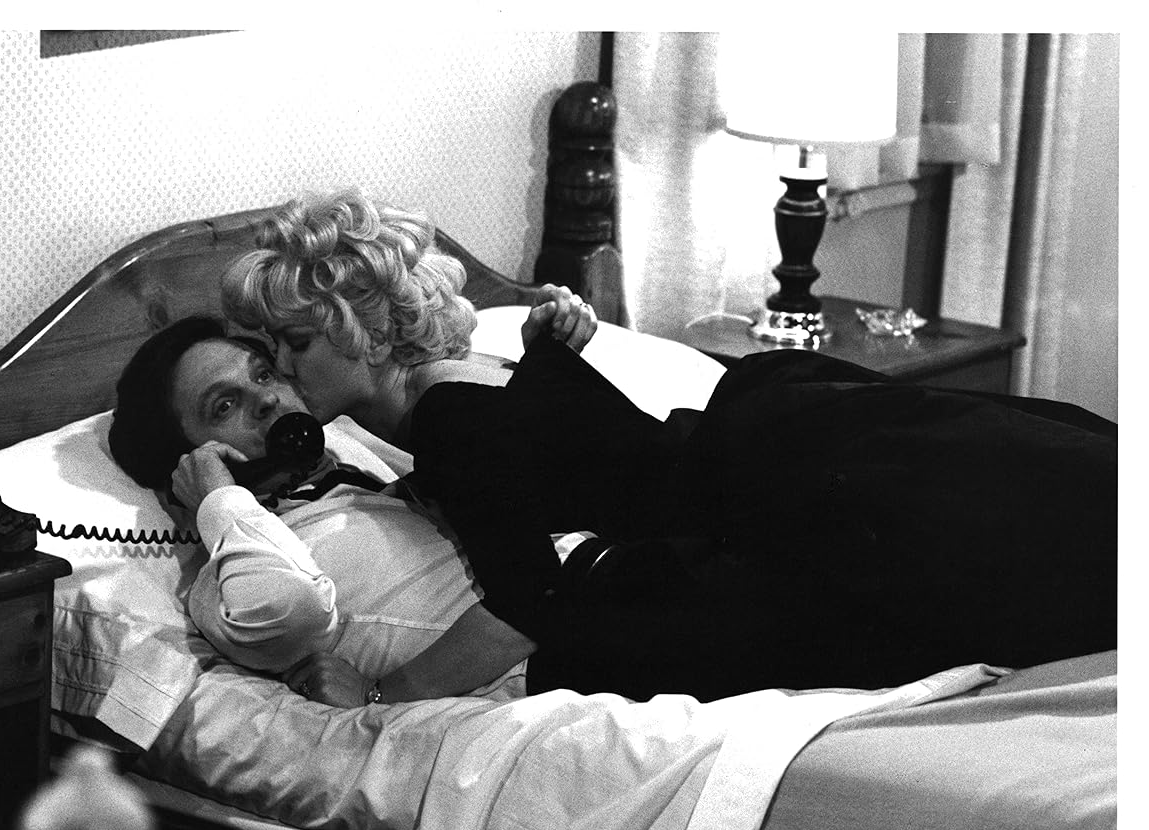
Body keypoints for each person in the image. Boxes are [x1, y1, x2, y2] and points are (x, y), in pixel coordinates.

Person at [218, 189, 1119, 706]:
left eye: (293, 344)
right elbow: (554, 455)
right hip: (783, 437)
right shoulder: (475, 380)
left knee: (1066, 538)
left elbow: (526, 602)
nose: (281, 373)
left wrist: (386, 695)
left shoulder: (449, 421)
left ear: (368, 333)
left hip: (794, 486)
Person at [108, 315, 542, 708]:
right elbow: (289, 608)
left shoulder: (368, 467)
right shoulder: (226, 582)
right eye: (224, 405)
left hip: (567, 605)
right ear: (189, 464)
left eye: (264, 374)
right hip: (538, 670)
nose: (266, 398)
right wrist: (217, 500)